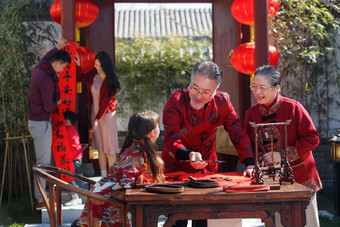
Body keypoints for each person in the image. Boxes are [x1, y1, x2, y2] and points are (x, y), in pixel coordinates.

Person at [161, 61, 254, 227]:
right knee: (177, 220)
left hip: (207, 168)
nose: (198, 95)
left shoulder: (223, 102)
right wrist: (188, 155)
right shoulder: (175, 100)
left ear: (216, 90)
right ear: (189, 82)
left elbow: (237, 133)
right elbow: (171, 138)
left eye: (206, 92)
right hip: (176, 167)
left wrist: (250, 164)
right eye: (195, 88)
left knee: (204, 219)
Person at [243, 65, 322, 227]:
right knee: (276, 223)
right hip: (269, 179)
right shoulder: (251, 113)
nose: (257, 92)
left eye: (262, 88)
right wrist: (253, 161)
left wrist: (282, 155)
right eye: (254, 87)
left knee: (304, 221)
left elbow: (312, 138)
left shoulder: (293, 108)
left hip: (300, 177)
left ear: (277, 87)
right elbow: (246, 143)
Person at [73, 110, 164, 226]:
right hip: (109, 200)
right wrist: (140, 182)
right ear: (151, 133)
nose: (159, 129)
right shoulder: (138, 155)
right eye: (157, 126)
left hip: (101, 194)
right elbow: (126, 182)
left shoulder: (131, 148)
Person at [28, 38, 71, 209]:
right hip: (41, 123)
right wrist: (58, 101)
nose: (62, 71)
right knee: (42, 164)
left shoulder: (40, 69)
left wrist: (55, 48)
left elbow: (45, 59)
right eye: (63, 67)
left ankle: (41, 197)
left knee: (42, 162)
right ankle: (41, 200)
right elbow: (49, 106)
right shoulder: (46, 79)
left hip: (36, 121)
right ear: (58, 63)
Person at [75, 51, 121, 178]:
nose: (97, 68)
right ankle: (103, 177)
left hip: (106, 116)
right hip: (95, 114)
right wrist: (78, 65)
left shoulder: (110, 80)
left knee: (109, 149)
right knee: (100, 147)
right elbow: (80, 78)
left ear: (106, 66)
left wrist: (96, 119)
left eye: (100, 66)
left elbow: (106, 103)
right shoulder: (94, 74)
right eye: (96, 65)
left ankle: (112, 179)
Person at [63, 110, 83, 206]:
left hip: (74, 159)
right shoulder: (73, 130)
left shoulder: (68, 131)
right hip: (77, 158)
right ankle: (75, 190)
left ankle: (75, 197)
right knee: (69, 176)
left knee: (67, 176)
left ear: (67, 121)